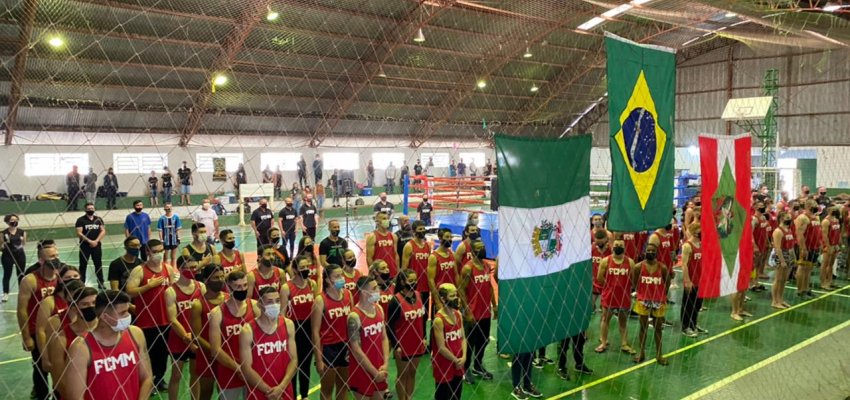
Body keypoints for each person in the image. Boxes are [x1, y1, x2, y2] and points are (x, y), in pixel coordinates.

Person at [65, 290, 153, 400]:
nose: (128, 316)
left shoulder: (135, 334)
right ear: (105, 317)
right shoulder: (81, 347)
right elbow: (75, 396)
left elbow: (147, 377)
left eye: (128, 311)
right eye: (122, 313)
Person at [126, 239, 175, 391]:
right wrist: (149, 286)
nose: (159, 254)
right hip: (147, 320)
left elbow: (173, 290)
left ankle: (159, 379)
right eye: (155, 251)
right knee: (147, 354)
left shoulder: (168, 269)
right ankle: (147, 381)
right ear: (147, 252)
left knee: (163, 352)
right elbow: (129, 290)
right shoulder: (139, 270)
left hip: (165, 319)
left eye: (161, 250)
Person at [17, 241, 60, 400]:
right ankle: (41, 394)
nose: (56, 259)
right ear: (41, 260)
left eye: (57, 255)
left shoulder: (62, 276)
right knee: (41, 367)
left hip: (59, 331)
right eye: (51, 256)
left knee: (61, 365)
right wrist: (26, 336)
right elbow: (22, 310)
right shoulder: (30, 280)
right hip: (38, 332)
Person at [240, 286, 298, 400]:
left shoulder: (288, 324)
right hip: (259, 391)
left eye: (277, 301)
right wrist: (270, 392)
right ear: (260, 304)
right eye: (270, 302)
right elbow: (246, 368)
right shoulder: (248, 330)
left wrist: (281, 387)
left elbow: (294, 359)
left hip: (284, 389)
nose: (275, 305)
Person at [209, 270, 260, 399]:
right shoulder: (217, 313)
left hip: (253, 370)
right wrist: (238, 368)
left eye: (244, 285)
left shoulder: (255, 306)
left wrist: (248, 369)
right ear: (228, 287)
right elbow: (215, 350)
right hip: (229, 371)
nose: (242, 289)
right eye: (238, 286)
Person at [45, 285, 97, 397]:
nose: (91, 307)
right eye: (85, 304)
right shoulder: (61, 339)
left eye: (94, 303)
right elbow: (59, 380)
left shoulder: (107, 331)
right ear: (74, 307)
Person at [281, 256, 319, 400]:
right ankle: (291, 396)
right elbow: (282, 314)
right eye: (302, 267)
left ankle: (304, 396)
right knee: (292, 366)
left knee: (305, 365)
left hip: (309, 328)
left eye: (307, 267)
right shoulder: (287, 288)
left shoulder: (312, 284)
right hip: (293, 329)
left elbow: (316, 308)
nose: (306, 270)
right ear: (295, 269)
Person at [311, 264, 352, 400]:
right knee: (327, 389)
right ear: (328, 280)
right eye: (337, 276)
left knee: (343, 386)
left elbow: (352, 324)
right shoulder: (320, 300)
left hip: (345, 346)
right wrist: (318, 358)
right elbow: (315, 331)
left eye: (342, 275)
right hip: (329, 349)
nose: (342, 278)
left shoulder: (348, 295)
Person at [165, 256, 203, 400]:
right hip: (178, 338)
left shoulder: (201, 287)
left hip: (196, 337)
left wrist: (196, 338)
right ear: (180, 269)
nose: (193, 270)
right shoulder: (171, 291)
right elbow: (172, 319)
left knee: (196, 373)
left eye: (195, 267)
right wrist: (186, 338)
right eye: (189, 268)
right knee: (176, 375)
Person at [347, 276, 391, 400]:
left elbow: (384, 338)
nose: (378, 291)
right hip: (362, 370)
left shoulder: (379, 309)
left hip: (379, 366)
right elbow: (356, 350)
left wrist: (386, 363)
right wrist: (374, 373)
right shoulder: (354, 316)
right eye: (374, 288)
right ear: (363, 291)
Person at [458, 239, 495, 383]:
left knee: (484, 340)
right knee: (469, 342)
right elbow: (461, 288)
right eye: (479, 248)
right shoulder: (468, 268)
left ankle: (478, 365)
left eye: (483, 246)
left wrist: (494, 305)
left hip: (485, 311)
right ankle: (465, 369)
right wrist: (467, 310)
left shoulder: (486, 265)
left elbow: (490, 286)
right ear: (473, 251)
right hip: (473, 312)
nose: (482, 249)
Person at [387, 270, 426, 400]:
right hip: (403, 344)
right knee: (402, 374)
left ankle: (409, 397)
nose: (414, 283)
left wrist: (424, 337)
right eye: (410, 281)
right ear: (402, 282)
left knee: (412, 373)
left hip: (417, 342)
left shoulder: (419, 295)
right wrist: (396, 345)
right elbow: (390, 326)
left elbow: (423, 320)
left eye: (415, 280)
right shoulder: (395, 301)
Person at [190, 264, 228, 400]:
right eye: (216, 277)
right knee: (206, 393)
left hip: (228, 355)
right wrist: (215, 351)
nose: (220, 280)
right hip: (207, 356)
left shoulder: (229, 299)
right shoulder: (198, 304)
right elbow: (196, 336)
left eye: (222, 276)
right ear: (206, 279)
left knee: (227, 392)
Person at [595, 236, 636, 354]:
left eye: (621, 246)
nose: (618, 247)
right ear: (612, 246)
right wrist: (610, 286)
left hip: (624, 297)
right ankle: (603, 342)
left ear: (624, 248)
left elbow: (633, 280)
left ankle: (624, 344)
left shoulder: (630, 262)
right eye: (616, 245)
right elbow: (599, 278)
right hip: (609, 296)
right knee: (605, 319)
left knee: (623, 321)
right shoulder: (606, 261)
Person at [631, 243, 669, 365]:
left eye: (653, 250)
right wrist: (642, 294)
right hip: (643, 300)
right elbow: (634, 283)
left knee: (658, 328)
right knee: (643, 328)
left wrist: (661, 296)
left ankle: (659, 355)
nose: (650, 252)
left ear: (656, 253)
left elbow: (666, 284)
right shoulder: (638, 267)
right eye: (648, 250)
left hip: (658, 301)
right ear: (644, 252)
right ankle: (641, 352)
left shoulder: (662, 267)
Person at [431, 283, 466, 400]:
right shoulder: (439, 320)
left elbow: (463, 338)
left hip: (458, 362)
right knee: (443, 395)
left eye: (456, 295)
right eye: (452, 296)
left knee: (457, 394)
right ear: (443, 298)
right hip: (444, 364)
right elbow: (441, 347)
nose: (456, 298)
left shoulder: (458, 315)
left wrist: (464, 356)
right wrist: (456, 360)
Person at [680, 223, 706, 338]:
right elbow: (684, 265)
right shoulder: (687, 246)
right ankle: (686, 327)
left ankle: (694, 324)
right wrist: (687, 281)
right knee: (688, 304)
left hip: (700, 280)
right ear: (695, 232)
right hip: (691, 280)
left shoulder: (701, 244)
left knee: (698, 304)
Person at [428, 228, 458, 316]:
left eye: (450, 237)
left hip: (452, 295)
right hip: (441, 296)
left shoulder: (452, 254)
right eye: (447, 237)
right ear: (440, 238)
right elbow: (430, 280)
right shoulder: (434, 257)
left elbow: (456, 275)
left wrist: (458, 294)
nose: (449, 239)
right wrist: (437, 301)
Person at [75, 202, 106, 288]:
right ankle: (81, 283)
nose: (90, 210)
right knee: (83, 265)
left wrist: (96, 241)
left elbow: (103, 231)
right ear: (85, 210)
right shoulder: (81, 220)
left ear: (94, 209)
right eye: (89, 209)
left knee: (98, 264)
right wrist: (89, 241)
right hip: (85, 246)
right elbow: (79, 233)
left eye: (92, 208)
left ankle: (101, 283)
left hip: (97, 246)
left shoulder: (98, 219)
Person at [402, 221, 432, 310]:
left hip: (425, 284)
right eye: (420, 229)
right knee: (415, 310)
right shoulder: (409, 246)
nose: (422, 231)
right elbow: (404, 268)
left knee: (425, 311)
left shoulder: (427, 246)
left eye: (423, 229)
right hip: (414, 285)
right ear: (414, 231)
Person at [796, 199, 822, 298]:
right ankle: (800, 290)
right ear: (807, 206)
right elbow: (799, 234)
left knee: (809, 269)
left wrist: (819, 243)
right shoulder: (803, 217)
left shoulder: (816, 217)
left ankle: (806, 289)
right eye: (814, 205)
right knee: (802, 268)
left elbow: (817, 231)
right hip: (806, 246)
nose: (816, 206)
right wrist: (803, 248)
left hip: (814, 246)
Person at [771, 211, 795, 309]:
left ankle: (780, 299)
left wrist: (794, 257)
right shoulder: (778, 231)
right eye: (787, 217)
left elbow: (791, 245)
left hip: (788, 255)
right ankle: (774, 301)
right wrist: (782, 260)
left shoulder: (788, 229)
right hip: (782, 255)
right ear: (781, 218)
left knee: (784, 280)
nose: (789, 218)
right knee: (778, 279)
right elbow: (777, 248)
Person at [1, 213, 26, 302]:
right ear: (7, 222)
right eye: (12, 220)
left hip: (20, 255)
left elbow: (23, 244)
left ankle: (22, 292)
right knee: (7, 274)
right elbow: (1, 246)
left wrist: (22, 241)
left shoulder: (22, 232)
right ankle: (5, 293)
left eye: (16, 220)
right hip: (7, 256)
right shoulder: (3, 233)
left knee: (21, 274)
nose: (14, 222)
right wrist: (4, 244)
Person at [367, 212, 400, 280]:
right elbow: (369, 258)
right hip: (380, 273)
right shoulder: (372, 236)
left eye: (388, 218)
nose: (387, 220)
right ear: (377, 221)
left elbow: (396, 254)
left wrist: (398, 270)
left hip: (392, 272)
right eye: (384, 218)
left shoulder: (393, 236)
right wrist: (373, 273)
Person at [751, 201, 771, 290]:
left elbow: (765, 231)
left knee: (759, 264)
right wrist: (754, 245)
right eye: (760, 206)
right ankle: (751, 283)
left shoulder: (763, 217)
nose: (762, 207)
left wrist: (768, 241)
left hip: (763, 244)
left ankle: (757, 281)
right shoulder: (754, 219)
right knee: (754, 264)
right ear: (755, 207)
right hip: (756, 244)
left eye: (763, 206)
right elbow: (750, 233)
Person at [821, 206, 841, 290]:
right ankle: (823, 283)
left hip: (835, 244)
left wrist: (838, 243)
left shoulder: (836, 220)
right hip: (828, 245)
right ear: (829, 211)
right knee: (825, 264)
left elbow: (837, 232)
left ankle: (830, 281)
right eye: (833, 210)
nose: (835, 211)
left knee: (831, 264)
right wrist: (828, 246)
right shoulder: (826, 221)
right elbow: (824, 235)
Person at [590, 230, 610, 313]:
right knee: (590, 307)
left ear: (606, 239)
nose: (600, 243)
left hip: (607, 282)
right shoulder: (592, 248)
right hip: (594, 281)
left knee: (605, 309)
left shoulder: (611, 249)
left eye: (602, 241)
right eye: (598, 241)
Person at [158, 202, 182, 267]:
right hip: (166, 240)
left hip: (174, 240)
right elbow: (160, 230)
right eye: (167, 207)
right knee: (165, 257)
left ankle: (173, 269)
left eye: (170, 207)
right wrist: (161, 240)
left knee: (173, 257)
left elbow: (178, 229)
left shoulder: (176, 217)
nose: (168, 208)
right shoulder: (161, 218)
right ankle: (165, 269)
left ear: (172, 208)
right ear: (164, 208)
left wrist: (179, 238)